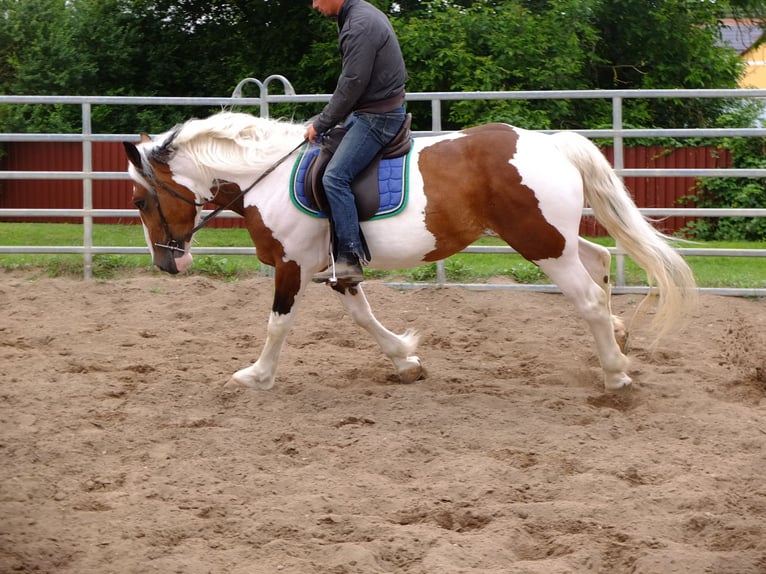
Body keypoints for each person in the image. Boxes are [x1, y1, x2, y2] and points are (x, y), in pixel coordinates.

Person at [306, 0, 407, 285]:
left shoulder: (359, 24)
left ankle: (349, 259)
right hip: (372, 110)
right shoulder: (361, 13)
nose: (314, 5)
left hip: (377, 117)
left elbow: (352, 83)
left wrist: (321, 123)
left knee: (335, 177)